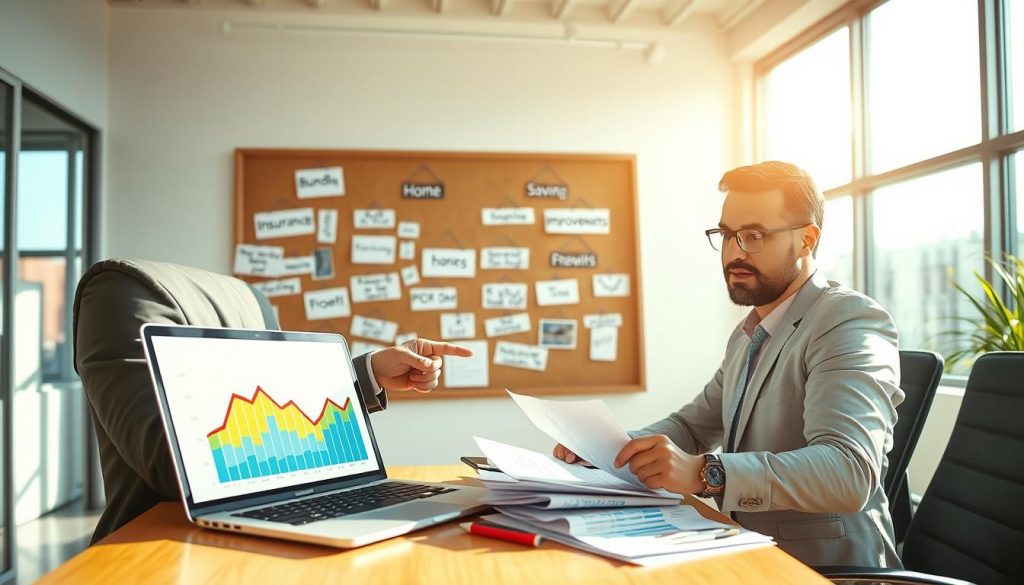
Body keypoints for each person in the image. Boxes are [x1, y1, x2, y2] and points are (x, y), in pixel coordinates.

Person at [554, 161, 904, 568]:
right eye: (727, 234)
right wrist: (610, 450)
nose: (734, 252)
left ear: (807, 239)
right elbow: (692, 426)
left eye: (754, 235)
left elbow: (848, 470)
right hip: (750, 553)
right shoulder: (751, 333)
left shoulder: (847, 320)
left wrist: (705, 473)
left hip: (826, 569)